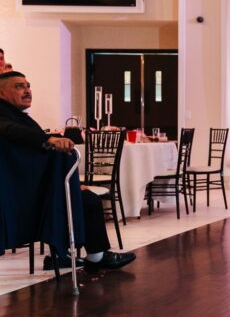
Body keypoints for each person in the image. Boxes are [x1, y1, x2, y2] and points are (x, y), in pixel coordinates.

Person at [0, 71, 135, 271]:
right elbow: (12, 132)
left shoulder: (18, 117)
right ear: (1, 93)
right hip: (19, 196)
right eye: (19, 86)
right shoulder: (5, 118)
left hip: (35, 188)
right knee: (88, 201)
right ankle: (93, 258)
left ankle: (64, 254)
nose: (27, 90)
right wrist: (48, 140)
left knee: (84, 196)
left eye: (28, 86)